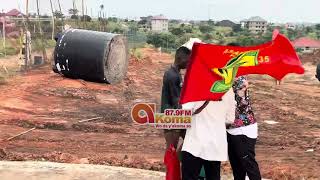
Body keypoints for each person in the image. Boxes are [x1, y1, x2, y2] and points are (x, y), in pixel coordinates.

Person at [181, 89, 236, 180]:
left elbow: (185, 110)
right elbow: (230, 119)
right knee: (213, 176)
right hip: (215, 145)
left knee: (189, 176)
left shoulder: (198, 86)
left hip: (195, 142)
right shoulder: (228, 89)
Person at [161, 38, 201, 152]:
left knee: (179, 147)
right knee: (172, 150)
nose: (188, 64)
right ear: (179, 59)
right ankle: (172, 169)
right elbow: (177, 101)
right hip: (172, 119)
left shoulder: (174, 72)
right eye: (187, 61)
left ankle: (177, 167)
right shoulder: (172, 76)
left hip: (172, 117)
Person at [226, 76, 262, 180]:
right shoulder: (223, 79)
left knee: (249, 164)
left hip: (243, 129)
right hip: (230, 129)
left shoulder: (240, 81)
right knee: (237, 166)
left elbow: (242, 103)